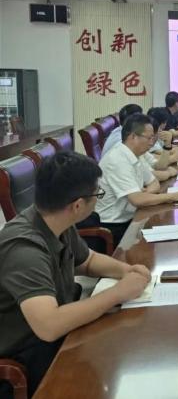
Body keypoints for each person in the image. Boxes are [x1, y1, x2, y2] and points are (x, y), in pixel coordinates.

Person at [0, 152, 151, 397]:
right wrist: (117, 293)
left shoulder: (55, 220)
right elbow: (49, 326)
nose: (98, 200)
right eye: (97, 195)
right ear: (78, 206)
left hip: (60, 329)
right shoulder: (23, 249)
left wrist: (125, 270)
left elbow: (87, 261)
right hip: (30, 353)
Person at [94, 114, 178, 243]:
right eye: (149, 138)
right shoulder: (117, 159)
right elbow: (137, 200)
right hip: (114, 227)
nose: (152, 142)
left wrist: (143, 194)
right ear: (133, 137)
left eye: (153, 138)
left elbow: (154, 183)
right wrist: (173, 196)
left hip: (132, 217)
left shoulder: (135, 155)